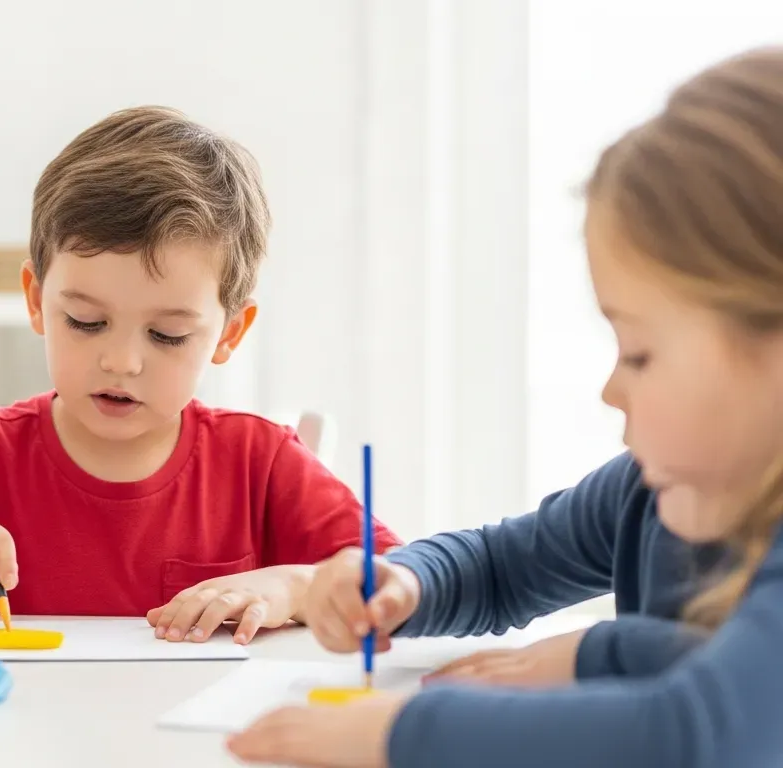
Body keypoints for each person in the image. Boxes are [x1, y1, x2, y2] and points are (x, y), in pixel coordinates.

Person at [227, 45, 783, 768]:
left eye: (641, 353)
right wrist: (406, 583)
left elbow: (700, 732)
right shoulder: (651, 492)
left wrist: (392, 733)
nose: (611, 390)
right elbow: (505, 565)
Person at [0, 106, 402, 643]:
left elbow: (402, 579)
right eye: (84, 321)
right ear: (35, 299)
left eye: (167, 335)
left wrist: (294, 585)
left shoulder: (258, 461)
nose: (122, 361)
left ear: (230, 333)